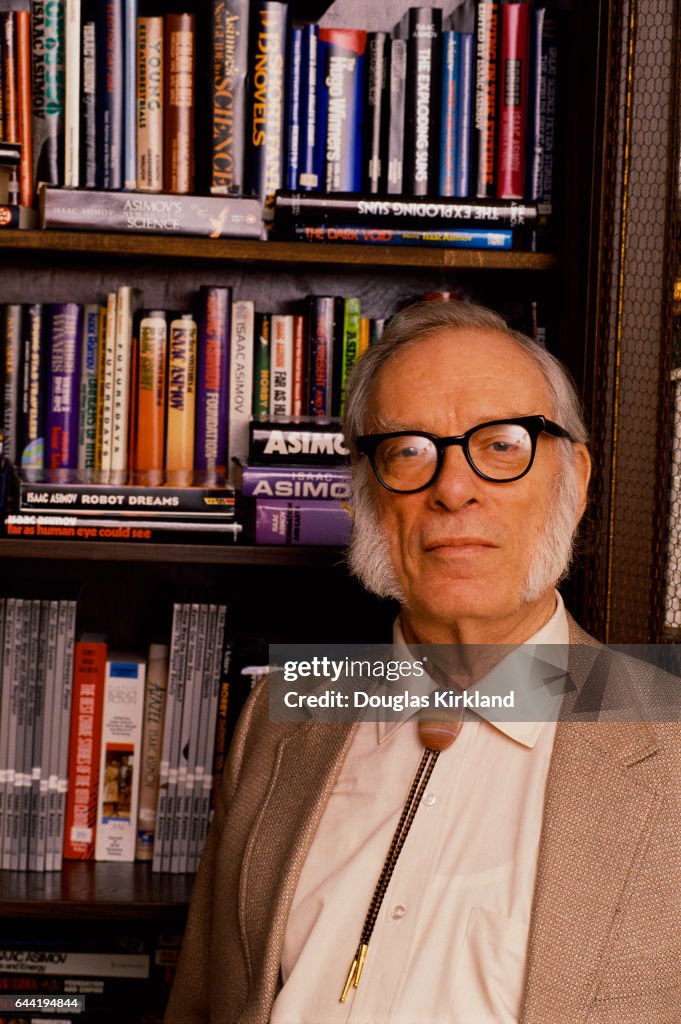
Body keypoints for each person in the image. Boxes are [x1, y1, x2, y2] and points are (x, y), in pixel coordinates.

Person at [166, 301, 681, 1023]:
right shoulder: (284, 712)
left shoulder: (670, 744)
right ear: (364, 493)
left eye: (503, 445)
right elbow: (199, 1003)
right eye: (408, 449)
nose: (451, 488)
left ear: (576, 478)